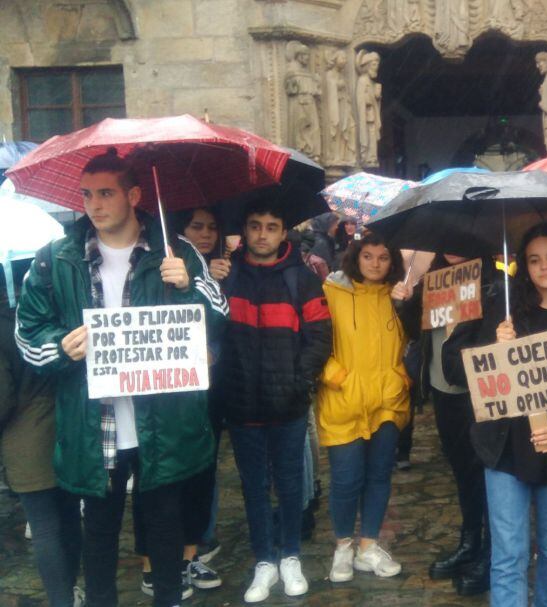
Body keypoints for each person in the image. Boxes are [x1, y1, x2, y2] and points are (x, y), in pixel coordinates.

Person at [14, 149, 228, 607]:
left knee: (166, 529)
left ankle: (168, 599)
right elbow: (28, 331)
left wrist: (188, 284)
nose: (94, 204)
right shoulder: (55, 259)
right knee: (100, 531)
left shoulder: (177, 251)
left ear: (133, 194)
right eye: (87, 194)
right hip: (96, 424)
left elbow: (219, 316)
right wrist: (60, 346)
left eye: (106, 193)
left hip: (163, 421)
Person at [218, 198, 332, 603]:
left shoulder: (301, 279)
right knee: (252, 485)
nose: (262, 234)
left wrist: (300, 380)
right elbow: (213, 332)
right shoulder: (227, 276)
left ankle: (291, 557)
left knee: (289, 482)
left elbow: (320, 335)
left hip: (288, 402)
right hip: (243, 400)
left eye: (271, 226)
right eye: (255, 226)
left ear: (283, 232)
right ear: (245, 231)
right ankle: (264, 560)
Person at [473, 223, 547, 606]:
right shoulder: (503, 311)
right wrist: (495, 346)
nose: (544, 267)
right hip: (507, 449)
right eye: (534, 260)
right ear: (523, 266)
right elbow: (471, 376)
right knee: (509, 553)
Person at [131, 208, 231, 598]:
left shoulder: (188, 258)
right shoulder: (143, 257)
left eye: (211, 226)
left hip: (200, 393)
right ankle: (152, 565)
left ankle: (188, 557)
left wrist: (190, 283)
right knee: (150, 480)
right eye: (196, 227)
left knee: (197, 476)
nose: (205, 234)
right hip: (149, 395)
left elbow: (221, 317)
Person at [395, 252, 505, 597]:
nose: (455, 249)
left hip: (480, 391)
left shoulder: (496, 286)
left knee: (487, 473)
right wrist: (406, 304)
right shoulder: (434, 279)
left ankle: (491, 553)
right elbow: (418, 329)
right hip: (444, 389)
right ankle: (470, 542)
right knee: (461, 470)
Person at [317, 233, 410, 582]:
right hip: (344, 399)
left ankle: (368, 546)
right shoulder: (332, 293)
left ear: (392, 261)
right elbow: (315, 339)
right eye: (368, 256)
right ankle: (343, 546)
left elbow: (413, 339)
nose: (375, 263)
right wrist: (335, 376)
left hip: (387, 400)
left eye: (383, 257)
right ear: (356, 257)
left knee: (378, 476)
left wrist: (407, 307)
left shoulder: (396, 296)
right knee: (345, 479)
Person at [2, 267, 83, 607]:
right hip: (69, 431)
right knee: (69, 520)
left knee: (45, 528)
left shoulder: (4, 328)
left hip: (25, 444)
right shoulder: (62, 318)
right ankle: (73, 589)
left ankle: (61, 599)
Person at [305, 212, 340, 281]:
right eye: (334, 224)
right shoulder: (321, 242)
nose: (337, 227)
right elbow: (326, 266)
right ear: (326, 225)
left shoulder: (323, 238)